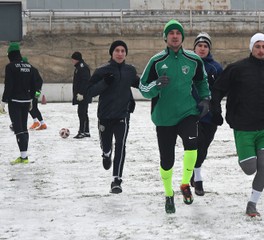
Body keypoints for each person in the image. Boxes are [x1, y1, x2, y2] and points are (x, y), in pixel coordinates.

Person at [211, 33, 264, 217]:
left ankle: (252, 204)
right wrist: (216, 110)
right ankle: (245, 158)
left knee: (263, 165)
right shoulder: (236, 69)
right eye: (258, 46)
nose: (261, 50)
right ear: (251, 48)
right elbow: (218, 89)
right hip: (243, 126)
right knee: (250, 168)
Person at [139, 19, 211, 214]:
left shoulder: (193, 59)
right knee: (167, 160)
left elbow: (202, 81)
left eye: (177, 33)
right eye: (170, 33)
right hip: (164, 118)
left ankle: (185, 184)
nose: (174, 35)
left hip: (187, 113)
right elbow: (143, 87)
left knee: (192, 148)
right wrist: (156, 86)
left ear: (182, 37)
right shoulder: (156, 61)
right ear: (165, 37)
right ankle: (168, 193)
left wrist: (205, 99)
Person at [87, 40, 140, 194]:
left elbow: (139, 84)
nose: (120, 53)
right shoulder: (102, 70)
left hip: (122, 115)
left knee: (121, 145)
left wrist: (131, 100)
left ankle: (116, 180)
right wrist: (104, 82)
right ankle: (106, 154)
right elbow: (89, 91)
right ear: (112, 52)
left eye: (123, 51)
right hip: (105, 115)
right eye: (117, 50)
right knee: (107, 144)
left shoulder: (130, 70)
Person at [191, 32, 223, 196]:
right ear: (194, 47)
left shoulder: (215, 67)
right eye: (200, 45)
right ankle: (197, 179)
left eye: (205, 46)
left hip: (210, 114)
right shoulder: (188, 64)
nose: (202, 49)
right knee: (195, 145)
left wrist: (217, 110)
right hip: (191, 113)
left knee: (204, 147)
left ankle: (194, 173)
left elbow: (220, 90)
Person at [0, 42, 36, 164]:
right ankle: (24, 155)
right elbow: (34, 84)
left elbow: (9, 85)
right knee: (24, 127)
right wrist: (31, 99)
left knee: (18, 129)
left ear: (10, 54)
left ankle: (23, 157)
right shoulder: (29, 66)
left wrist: (3, 101)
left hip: (15, 101)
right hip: (26, 101)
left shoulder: (10, 67)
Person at [20, 57, 47, 130]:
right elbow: (40, 80)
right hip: (34, 92)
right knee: (30, 107)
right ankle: (36, 122)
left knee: (34, 107)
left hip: (33, 92)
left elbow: (37, 81)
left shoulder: (29, 70)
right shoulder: (33, 69)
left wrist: (37, 92)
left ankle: (42, 123)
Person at [71, 51, 91, 139]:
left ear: (76, 59)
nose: (72, 61)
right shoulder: (79, 67)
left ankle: (82, 131)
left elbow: (85, 81)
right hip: (81, 94)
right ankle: (86, 131)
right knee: (83, 113)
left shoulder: (82, 67)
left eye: (73, 59)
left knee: (82, 113)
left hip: (83, 95)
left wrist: (81, 93)